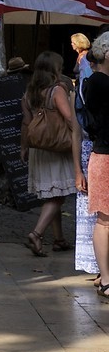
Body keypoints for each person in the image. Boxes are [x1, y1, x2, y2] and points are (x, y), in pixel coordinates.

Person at [20, 50, 80, 257]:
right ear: (56, 69)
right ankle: (37, 233)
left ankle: (59, 239)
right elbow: (70, 119)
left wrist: (23, 147)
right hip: (57, 148)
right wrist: (80, 140)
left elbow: (26, 123)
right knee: (57, 197)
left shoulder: (29, 92)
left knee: (55, 193)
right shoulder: (56, 91)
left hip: (39, 149)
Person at [75, 32, 109, 298]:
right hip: (105, 155)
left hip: (102, 154)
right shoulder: (98, 82)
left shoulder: (97, 81)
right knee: (105, 220)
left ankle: (105, 275)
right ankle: (106, 277)